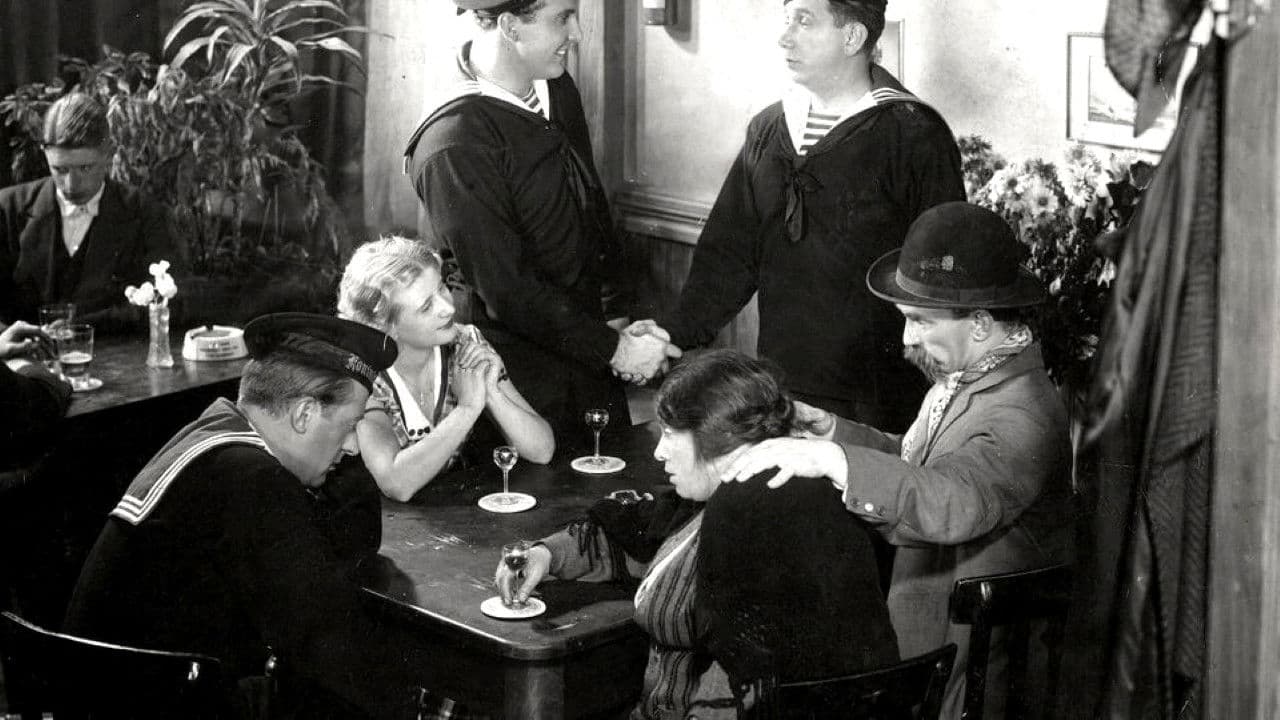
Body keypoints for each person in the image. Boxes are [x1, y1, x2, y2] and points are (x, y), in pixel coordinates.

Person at [723, 202, 1075, 720]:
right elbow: (920, 466)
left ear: (980, 324)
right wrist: (835, 433)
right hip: (925, 634)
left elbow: (955, 498)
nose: (907, 338)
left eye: (920, 321)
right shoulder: (971, 377)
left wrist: (834, 461)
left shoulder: (1023, 410)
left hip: (972, 675)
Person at [63, 313, 448, 719]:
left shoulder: (217, 437)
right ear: (304, 414)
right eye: (350, 426)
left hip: (111, 694)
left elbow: (340, 543)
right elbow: (326, 638)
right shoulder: (252, 479)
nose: (353, 446)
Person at [496, 350, 898, 719]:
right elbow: (637, 530)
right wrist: (547, 555)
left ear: (716, 435)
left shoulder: (754, 518)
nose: (659, 451)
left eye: (671, 434)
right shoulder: (727, 495)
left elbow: (738, 684)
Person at [624, 0, 965, 433]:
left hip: (877, 400)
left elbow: (943, 277)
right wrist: (671, 334)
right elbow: (727, 259)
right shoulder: (768, 129)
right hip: (781, 386)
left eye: (804, 21)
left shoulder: (914, 134)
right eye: (787, 21)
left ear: (852, 37)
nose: (784, 38)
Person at [403, 0, 679, 440]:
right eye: (562, 19)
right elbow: (506, 288)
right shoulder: (453, 141)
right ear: (510, 26)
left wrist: (614, 318)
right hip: (513, 375)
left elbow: (591, 208)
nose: (577, 34)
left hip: (587, 350)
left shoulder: (555, 87)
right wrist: (614, 350)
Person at [337, 235, 554, 502]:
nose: (448, 307)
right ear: (386, 327)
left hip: (442, 512)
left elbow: (542, 450)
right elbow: (396, 484)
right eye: (426, 306)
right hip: (375, 516)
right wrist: (467, 409)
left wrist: (492, 393)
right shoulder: (363, 372)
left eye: (441, 289)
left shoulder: (466, 343)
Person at [0, 92, 181, 333]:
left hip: (111, 354)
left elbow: (166, 302)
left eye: (85, 168)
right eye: (60, 169)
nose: (71, 185)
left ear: (109, 154)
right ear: (45, 153)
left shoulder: (146, 213)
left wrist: (82, 327)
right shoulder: (6, 209)